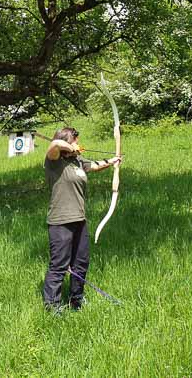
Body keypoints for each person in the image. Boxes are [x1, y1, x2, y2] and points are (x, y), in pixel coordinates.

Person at [42, 127, 121, 312]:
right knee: (59, 265)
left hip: (79, 219)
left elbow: (94, 165)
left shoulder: (77, 161)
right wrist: (70, 147)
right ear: (68, 142)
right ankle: (52, 306)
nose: (79, 144)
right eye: (76, 141)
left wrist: (113, 161)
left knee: (81, 262)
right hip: (60, 221)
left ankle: (76, 300)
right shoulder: (54, 161)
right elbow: (54, 144)